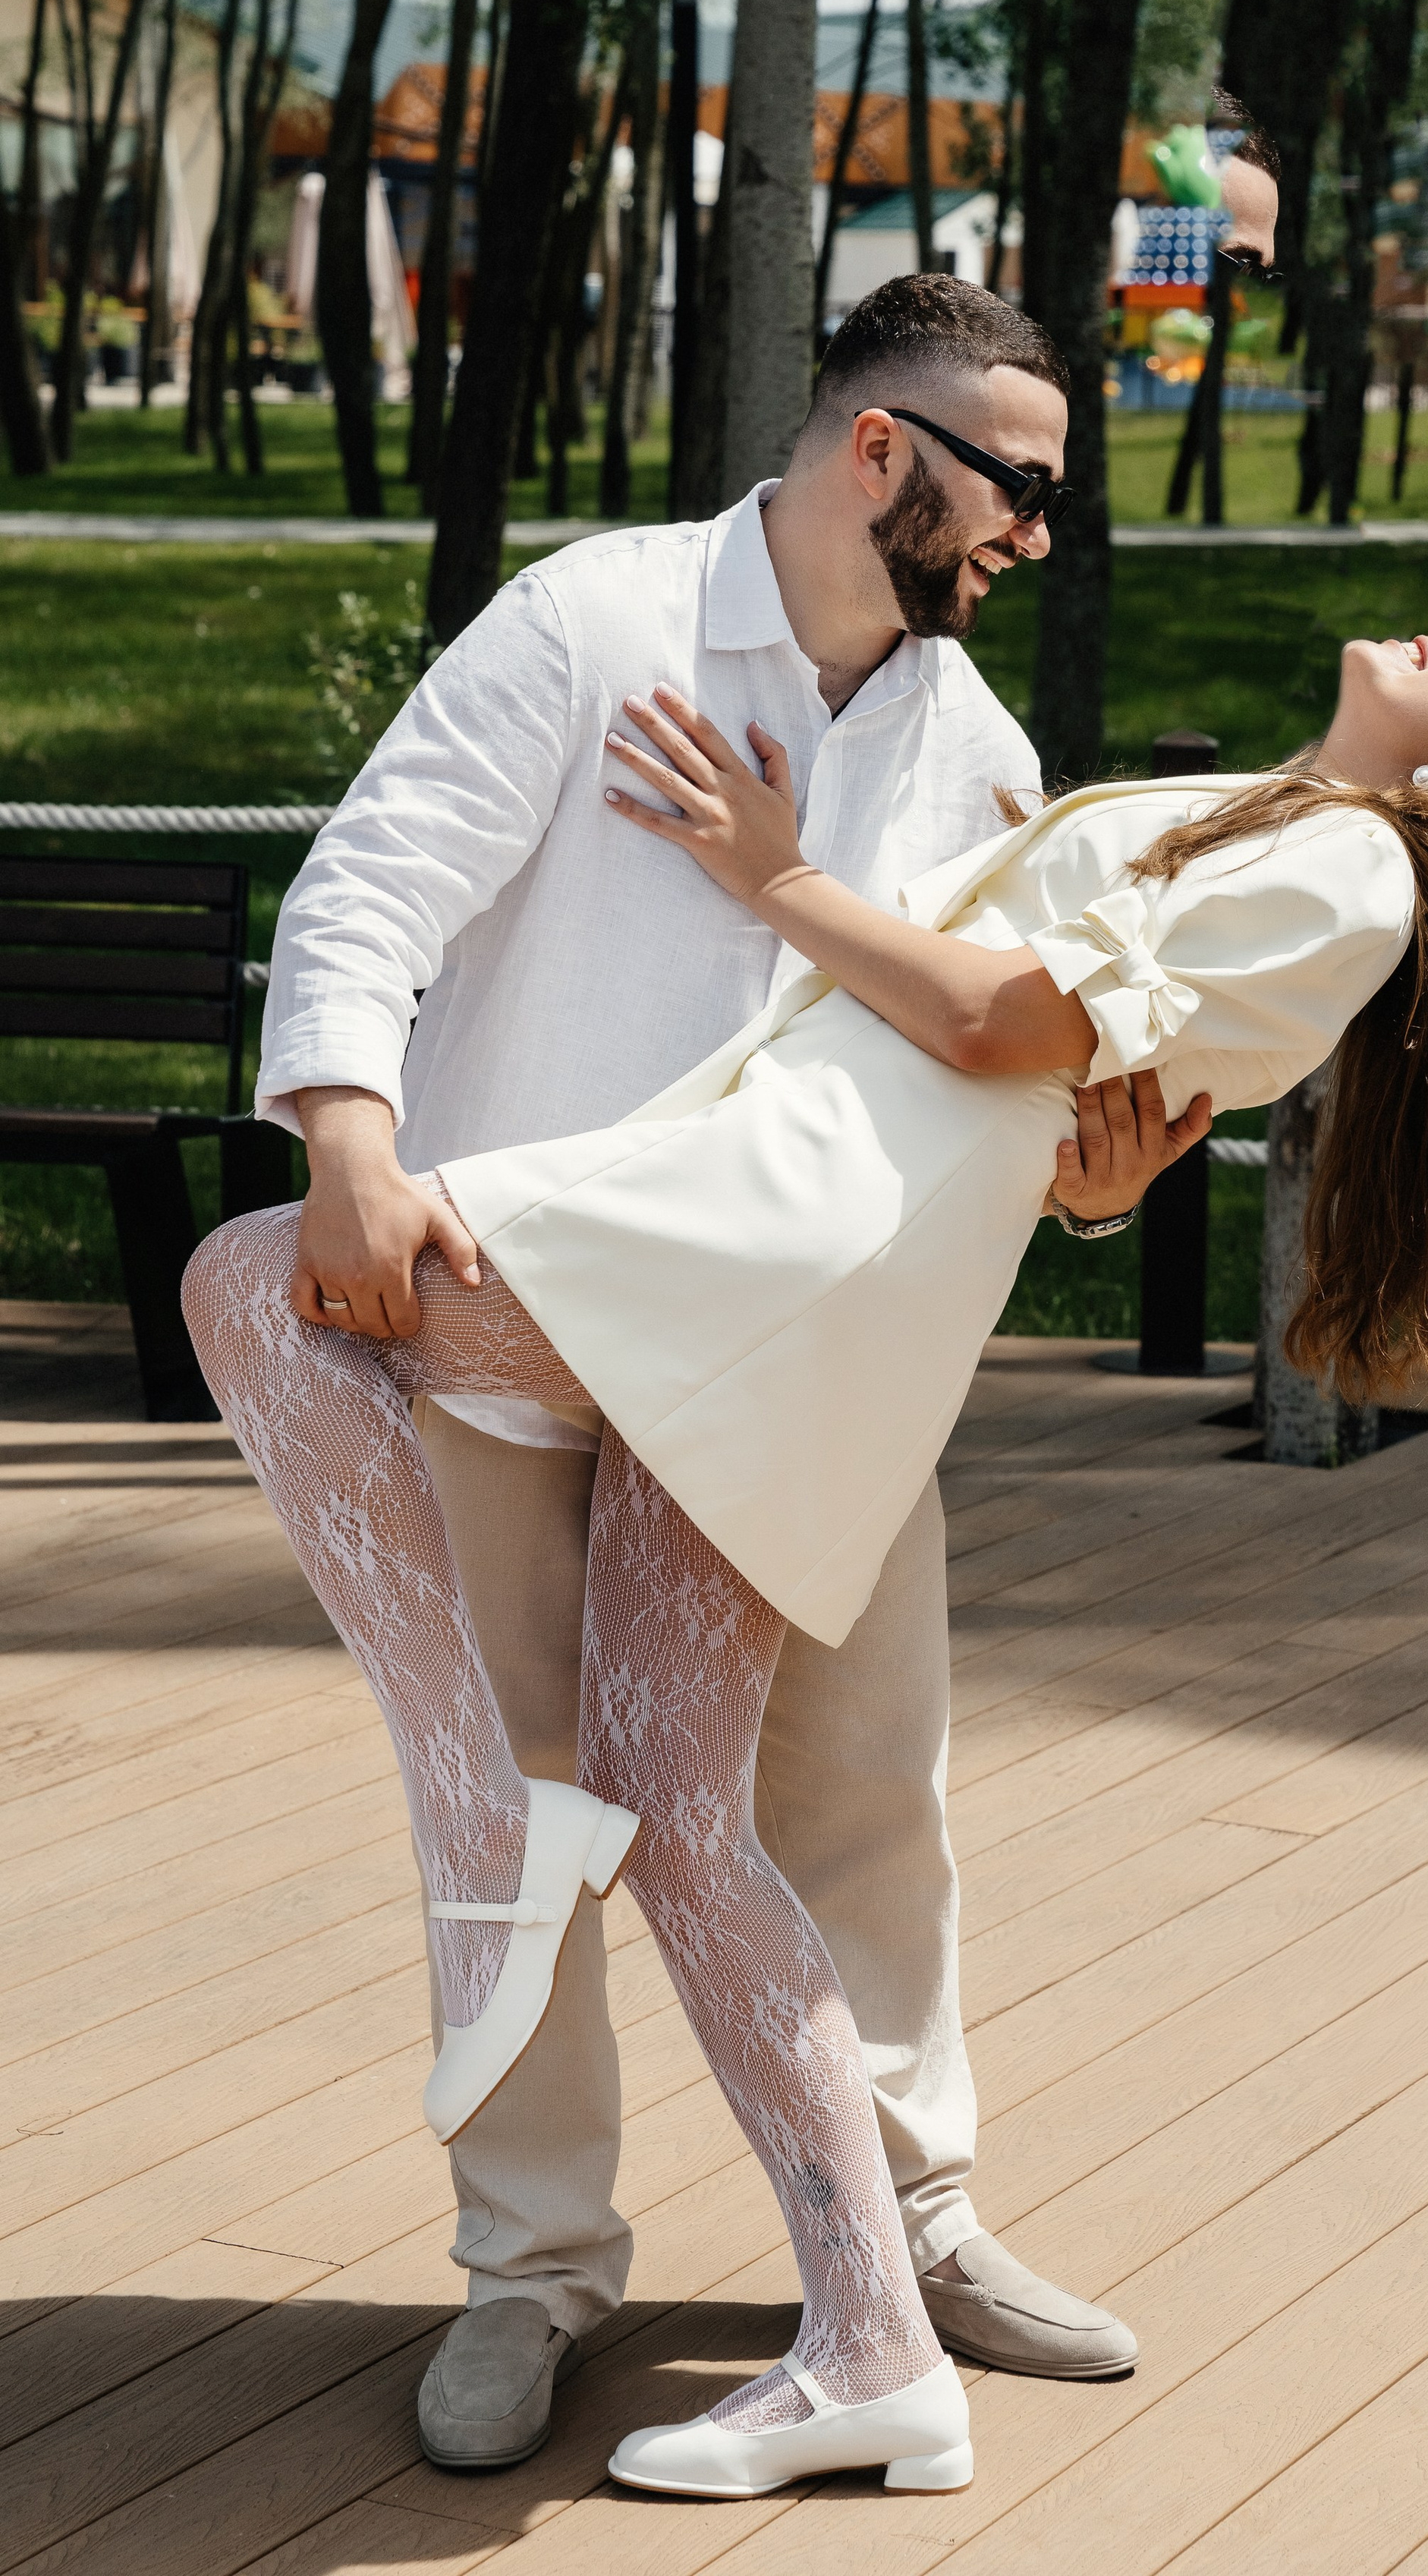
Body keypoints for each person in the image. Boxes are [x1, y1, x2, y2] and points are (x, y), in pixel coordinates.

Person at [185, 608, 1428, 2501]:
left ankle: (492, 1814)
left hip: (769, 1247)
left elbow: (987, 1023)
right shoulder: (1260, 821)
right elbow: (1046, 1069)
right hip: (785, 1245)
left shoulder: (1343, 860)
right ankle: (868, 2346)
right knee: (677, 1812)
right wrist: (1078, 1151)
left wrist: (775, 877)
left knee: (259, 1293)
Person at [238, 275, 1203, 2474]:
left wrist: (1089, 1181)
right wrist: (351, 1151)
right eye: (1023, 487)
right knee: (513, 1826)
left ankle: (914, 2225)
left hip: (804, 1369)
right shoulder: (594, 628)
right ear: (887, 456)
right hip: (511, 1333)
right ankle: (532, 2269)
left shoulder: (966, 742)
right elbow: (371, 889)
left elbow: (983, 1057)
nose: (1039, 532)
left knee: (867, 1797)